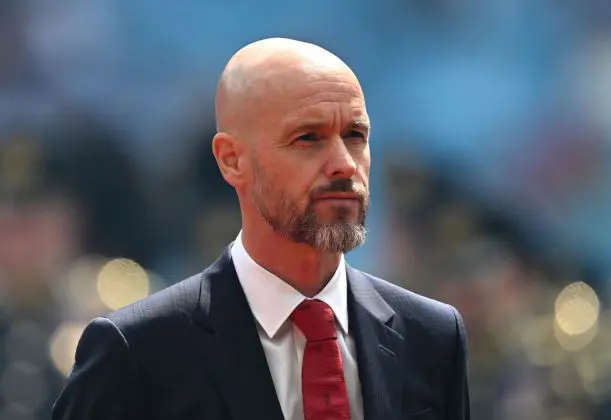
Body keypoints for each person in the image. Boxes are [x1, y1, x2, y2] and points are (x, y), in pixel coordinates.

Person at [52, 38, 470, 420]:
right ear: (232, 160)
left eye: (356, 136)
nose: (344, 162)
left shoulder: (432, 337)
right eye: (308, 138)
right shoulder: (138, 351)